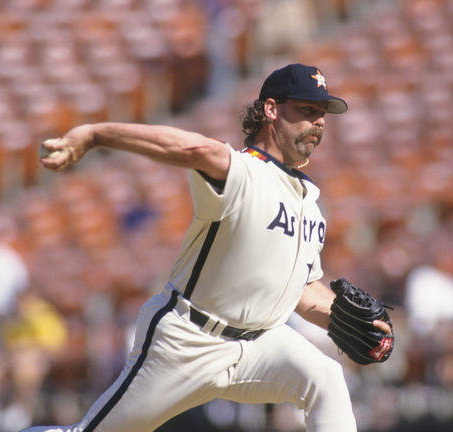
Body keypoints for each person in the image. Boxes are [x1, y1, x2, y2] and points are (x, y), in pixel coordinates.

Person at [20, 64, 392, 432]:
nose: (318, 123)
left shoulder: (309, 203)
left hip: (259, 344)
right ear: (272, 109)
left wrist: (351, 323)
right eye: (308, 111)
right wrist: (95, 135)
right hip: (188, 340)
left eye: (322, 115)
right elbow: (193, 147)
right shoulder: (242, 172)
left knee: (325, 377)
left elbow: (302, 289)